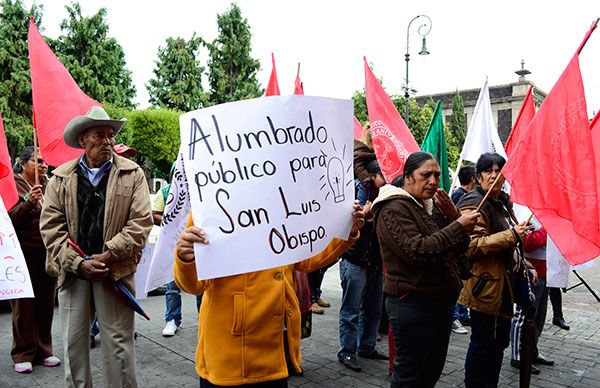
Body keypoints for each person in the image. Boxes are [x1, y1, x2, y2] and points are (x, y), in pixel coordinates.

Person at [174, 204, 365, 387]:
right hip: (229, 356)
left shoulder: (282, 199)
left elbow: (305, 258)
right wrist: (185, 257)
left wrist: (345, 231)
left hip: (275, 351)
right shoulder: (210, 200)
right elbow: (194, 285)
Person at [40, 106, 153, 388]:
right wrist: (78, 263)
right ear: (83, 141)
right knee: (74, 346)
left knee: (119, 346)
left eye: (110, 135)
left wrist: (109, 254)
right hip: (73, 273)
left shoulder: (133, 173)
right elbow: (51, 228)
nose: (107, 141)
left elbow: (141, 222)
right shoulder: (60, 177)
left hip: (113, 273)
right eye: (99, 135)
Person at [371, 152, 479, 388]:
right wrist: (457, 226)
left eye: (437, 175)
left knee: (431, 371)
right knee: (410, 375)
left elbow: (461, 247)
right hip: (413, 302)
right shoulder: (393, 208)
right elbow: (417, 251)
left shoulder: (431, 206)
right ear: (408, 177)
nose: (433, 181)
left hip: (441, 300)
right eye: (425, 175)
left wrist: (454, 217)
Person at [457, 152, 534, 388]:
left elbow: (509, 243)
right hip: (486, 287)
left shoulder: (501, 202)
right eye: (488, 171)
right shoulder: (473, 203)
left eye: (498, 170)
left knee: (498, 342)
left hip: (503, 286)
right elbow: (472, 247)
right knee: (483, 344)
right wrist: (512, 235)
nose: (494, 175)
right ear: (478, 177)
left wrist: (525, 263)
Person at [8, 147, 61, 374]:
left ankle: (44, 350)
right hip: (21, 253)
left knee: (46, 303)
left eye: (44, 162)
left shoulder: (51, 185)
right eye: (37, 161)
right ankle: (23, 352)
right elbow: (8, 220)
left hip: (47, 253)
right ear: (22, 164)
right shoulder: (12, 185)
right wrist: (29, 202)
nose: (43, 165)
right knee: (24, 305)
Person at [337, 160, 387, 372]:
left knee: (374, 309)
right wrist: (364, 215)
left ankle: (366, 347)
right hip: (354, 260)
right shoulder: (356, 191)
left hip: (375, 261)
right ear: (374, 175)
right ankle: (347, 351)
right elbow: (346, 223)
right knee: (351, 310)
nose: (387, 179)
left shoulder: (386, 195)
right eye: (383, 175)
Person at [90, 143, 138, 348]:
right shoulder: (92, 180)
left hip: (118, 262)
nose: (128, 158)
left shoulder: (135, 177)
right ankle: (92, 330)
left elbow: (139, 222)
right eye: (124, 155)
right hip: (89, 260)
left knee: (120, 337)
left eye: (130, 155)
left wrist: (112, 252)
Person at [153, 162, 201, 337]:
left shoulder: (201, 189)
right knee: (172, 285)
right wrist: (171, 223)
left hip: (197, 246)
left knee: (201, 286)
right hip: (173, 246)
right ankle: (172, 319)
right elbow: (154, 214)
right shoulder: (165, 192)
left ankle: (203, 319)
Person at [510, 223, 554, 375]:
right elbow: (528, 243)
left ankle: (531, 351)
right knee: (524, 316)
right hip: (531, 272)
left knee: (539, 318)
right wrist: (548, 228)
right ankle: (518, 356)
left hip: (546, 272)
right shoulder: (527, 213)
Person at [450, 165, 476, 334]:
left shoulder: (464, 195)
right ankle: (456, 315)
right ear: (473, 179)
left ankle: (461, 313)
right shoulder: (459, 196)